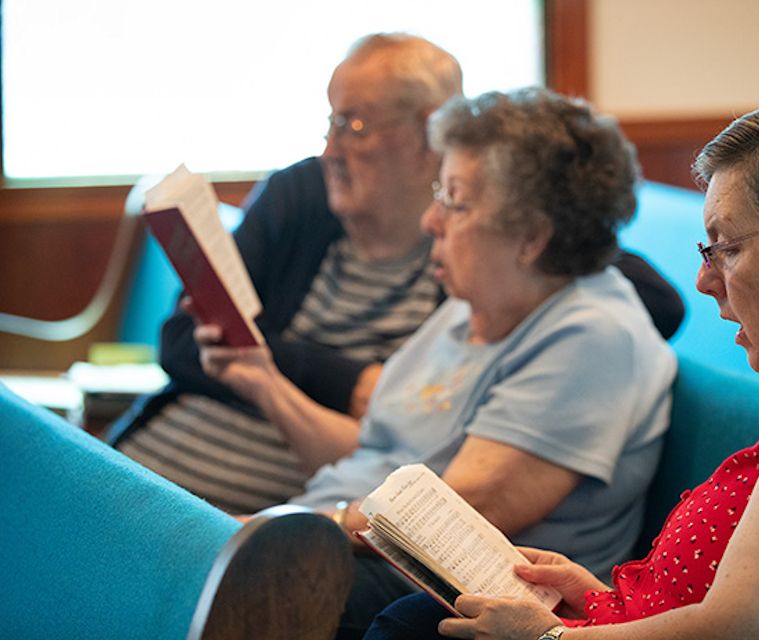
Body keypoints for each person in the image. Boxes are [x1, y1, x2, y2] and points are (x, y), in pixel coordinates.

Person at [364, 99, 759, 640]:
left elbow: (758, 626)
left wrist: (549, 639)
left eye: (726, 248)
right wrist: (599, 597)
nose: (705, 280)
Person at [108, 33, 685, 515]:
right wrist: (341, 381)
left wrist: (268, 533)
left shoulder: (487, 276)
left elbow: (630, 289)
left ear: (427, 133)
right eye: (329, 123)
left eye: (354, 125)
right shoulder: (303, 195)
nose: (331, 148)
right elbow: (183, 339)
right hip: (235, 466)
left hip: (305, 512)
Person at [190, 86, 677, 639]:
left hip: (432, 595)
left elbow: (447, 518)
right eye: (437, 193)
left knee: (192, 568)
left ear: (531, 237)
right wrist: (267, 386)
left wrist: (278, 529)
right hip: (358, 550)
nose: (431, 221)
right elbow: (381, 456)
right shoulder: (474, 301)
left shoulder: (593, 337)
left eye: (455, 200)